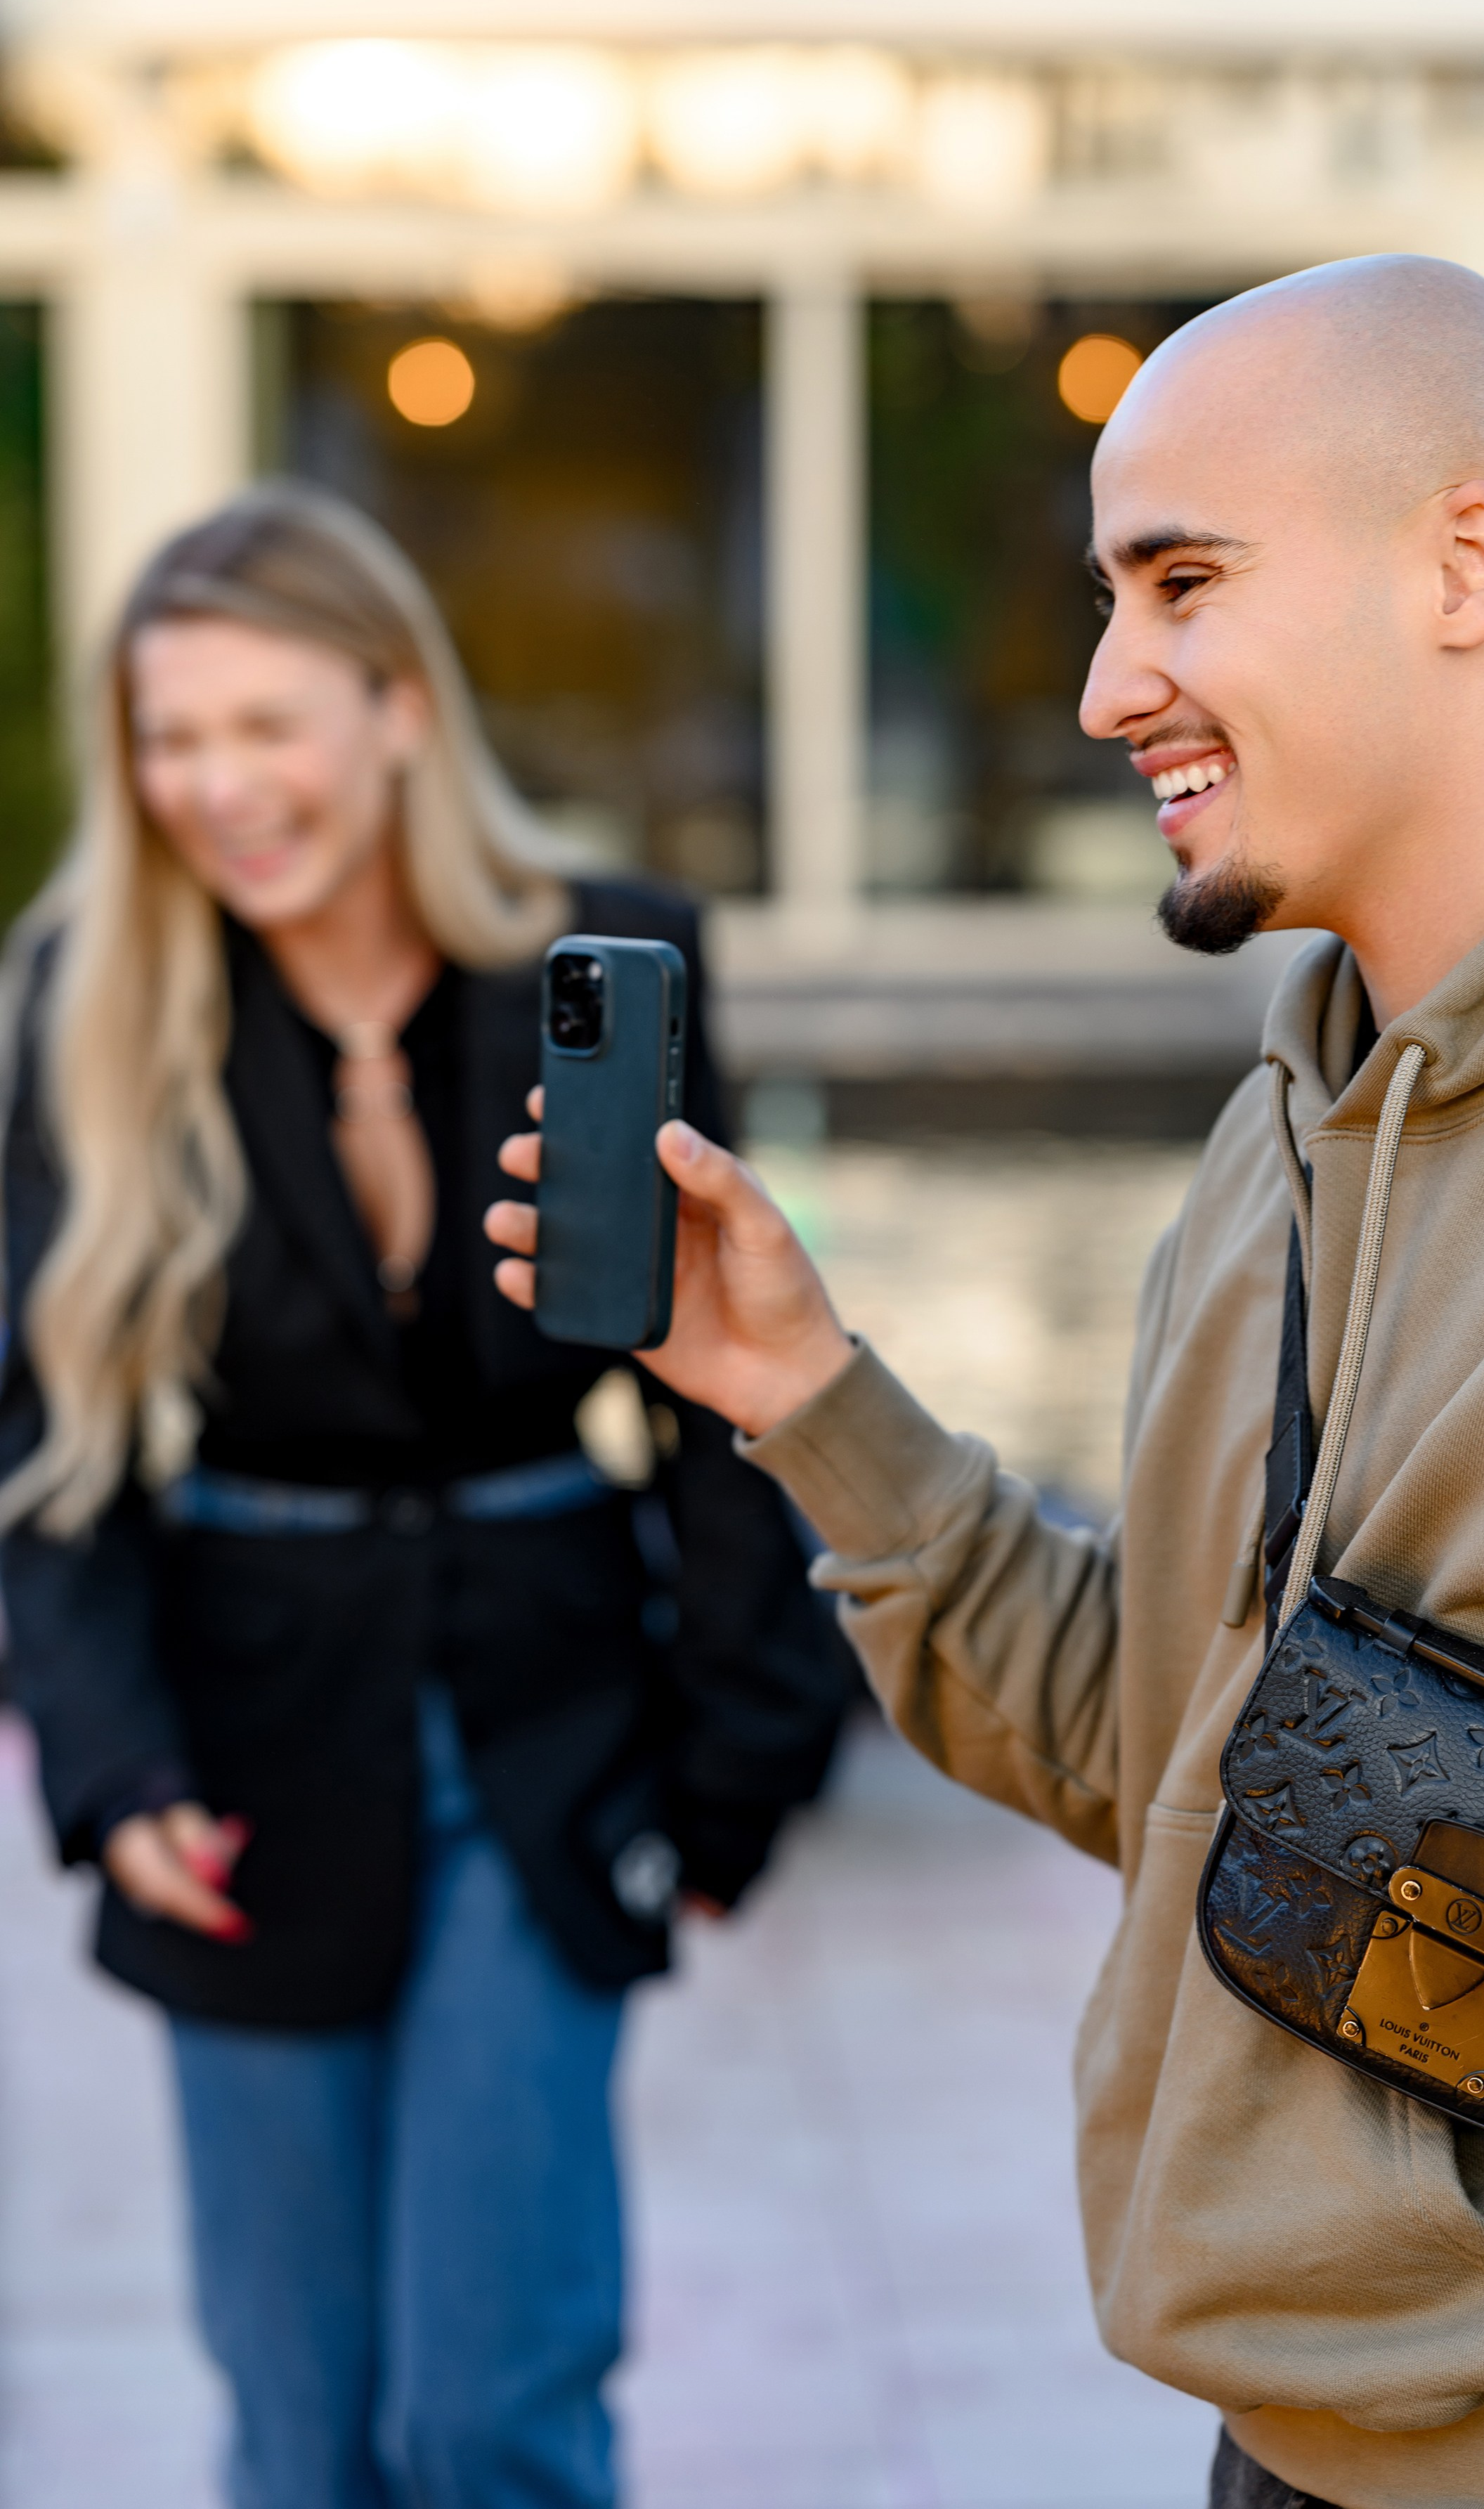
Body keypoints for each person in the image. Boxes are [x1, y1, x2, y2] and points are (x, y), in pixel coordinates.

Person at [493, 254, 1484, 2509]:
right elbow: (1179, 1769)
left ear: (1467, 566)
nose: (1108, 683)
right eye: (1110, 591)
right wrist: (803, 1391)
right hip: (1279, 2446)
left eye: (1187, 582)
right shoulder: (1276, 1143)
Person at [0, 482, 846, 2509]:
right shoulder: (85, 1001)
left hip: (555, 1718)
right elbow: (46, 1444)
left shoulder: (611, 957)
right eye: (173, 737)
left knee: (495, 2419)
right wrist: (112, 1779)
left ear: (395, 711)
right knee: (302, 2440)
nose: (218, 786)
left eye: (265, 724)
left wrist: (749, 1756)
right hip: (242, 1739)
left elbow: (726, 1378)